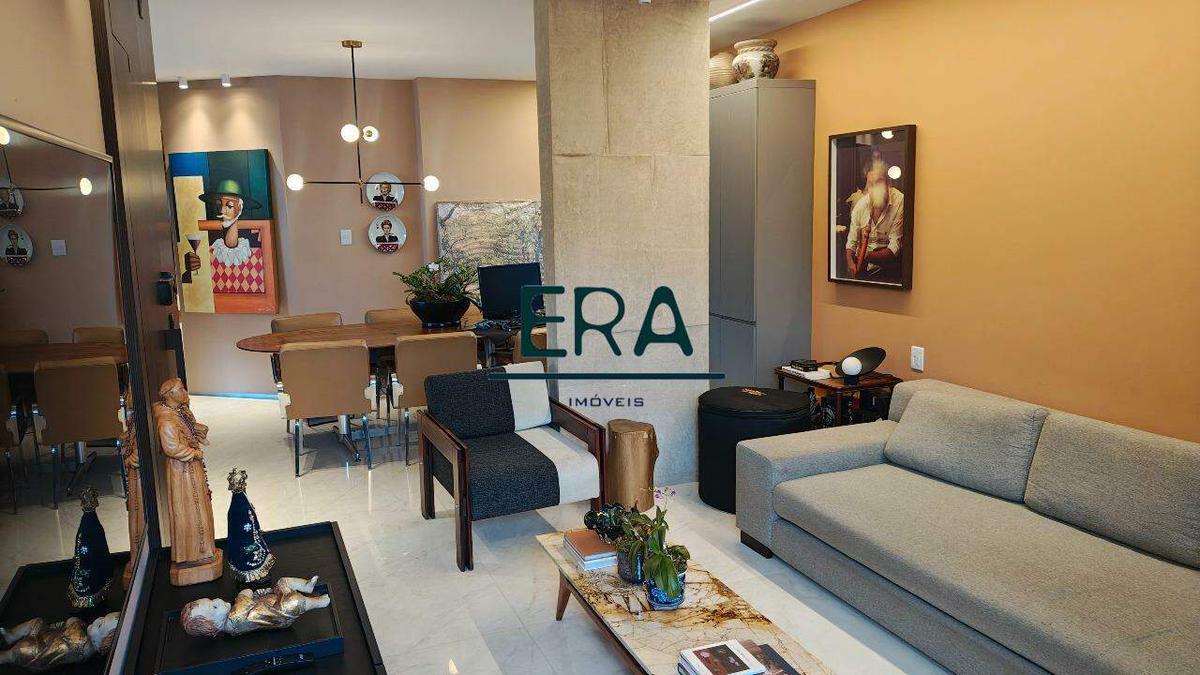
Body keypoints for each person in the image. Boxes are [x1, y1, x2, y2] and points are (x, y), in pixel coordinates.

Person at [184, 179, 262, 274]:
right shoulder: (208, 238)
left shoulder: (253, 238)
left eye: (229, 206)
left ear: (240, 208)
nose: (221, 211)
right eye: (219, 204)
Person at [844, 160, 904, 281]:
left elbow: (895, 247)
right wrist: (850, 262)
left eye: (879, 182)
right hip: (863, 265)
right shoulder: (861, 205)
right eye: (871, 184)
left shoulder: (900, 201)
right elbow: (851, 242)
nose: (875, 188)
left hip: (889, 266)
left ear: (888, 182)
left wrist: (866, 255)